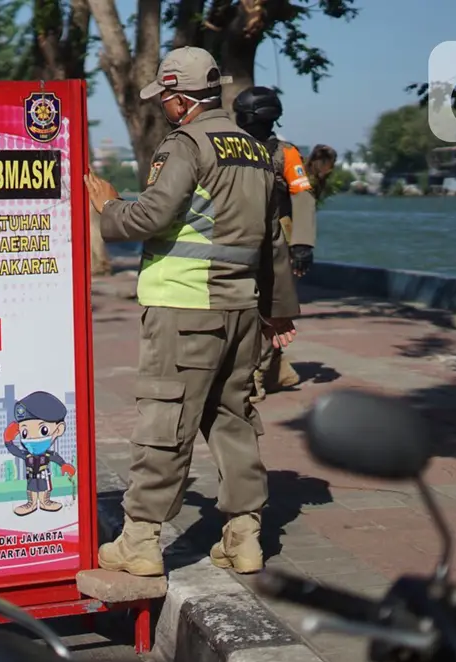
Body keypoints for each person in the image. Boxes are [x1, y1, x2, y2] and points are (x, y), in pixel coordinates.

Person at [82, 47, 299, 577]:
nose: (164, 109)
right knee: (234, 421)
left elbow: (152, 216)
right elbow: (272, 240)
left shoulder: (185, 144)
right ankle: (245, 538)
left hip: (185, 305)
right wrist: (278, 312)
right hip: (242, 308)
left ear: (180, 99)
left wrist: (108, 205)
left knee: (167, 419)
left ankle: (139, 541)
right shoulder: (254, 148)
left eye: (166, 100)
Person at [233, 87, 317, 401]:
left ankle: (253, 379)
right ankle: (265, 373)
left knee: (270, 311)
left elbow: (302, 195)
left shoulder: (285, 153)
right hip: (236, 239)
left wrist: (302, 243)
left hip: (274, 241)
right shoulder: (230, 147)